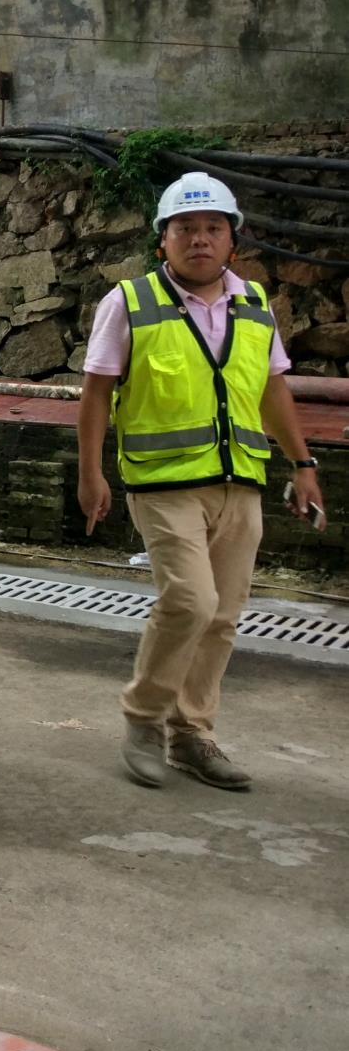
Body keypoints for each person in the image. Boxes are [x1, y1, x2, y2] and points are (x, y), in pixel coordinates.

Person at [77, 172, 324, 792]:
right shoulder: (129, 303)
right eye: (185, 228)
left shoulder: (254, 304)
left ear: (232, 239)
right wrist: (90, 472)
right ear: (162, 239)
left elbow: (271, 389)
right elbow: (96, 393)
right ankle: (143, 719)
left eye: (213, 227)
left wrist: (303, 464)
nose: (200, 239)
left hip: (241, 482)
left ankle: (191, 733)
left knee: (223, 616)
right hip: (163, 484)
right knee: (191, 602)